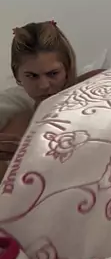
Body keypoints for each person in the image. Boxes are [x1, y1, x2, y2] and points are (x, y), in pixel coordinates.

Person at [0, 21, 100, 178]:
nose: (44, 85)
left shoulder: (96, 83)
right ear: (17, 76)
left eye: (53, 74)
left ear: (67, 68)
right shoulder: (20, 125)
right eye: (32, 76)